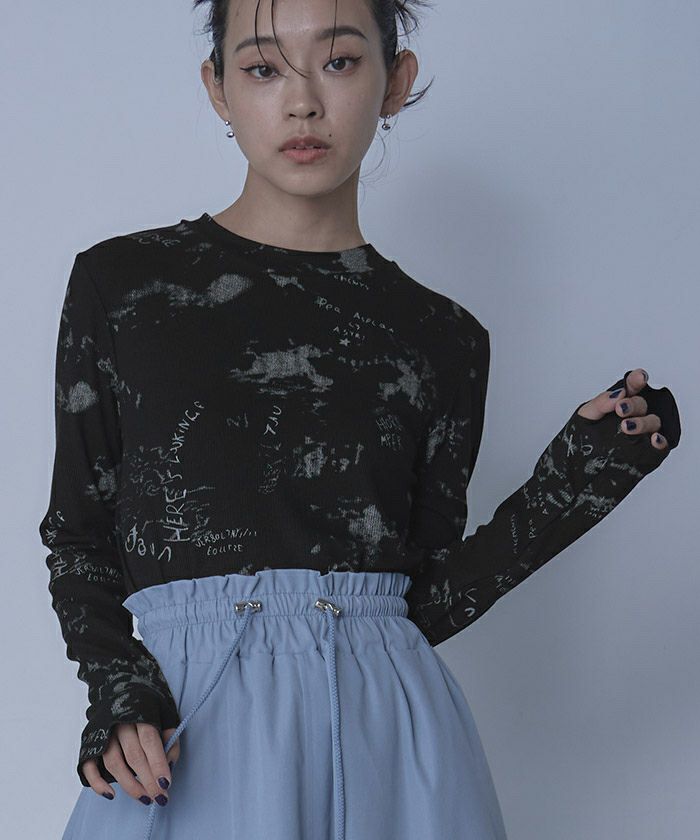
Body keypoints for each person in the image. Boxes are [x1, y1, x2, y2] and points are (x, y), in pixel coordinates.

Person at [39, 0, 681, 837]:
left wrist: (570, 488)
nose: (303, 101)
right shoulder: (123, 287)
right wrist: (118, 687)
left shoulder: (444, 339)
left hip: (392, 743)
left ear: (395, 81)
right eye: (263, 68)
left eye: (339, 61)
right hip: (187, 739)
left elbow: (419, 604)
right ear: (218, 88)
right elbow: (79, 535)